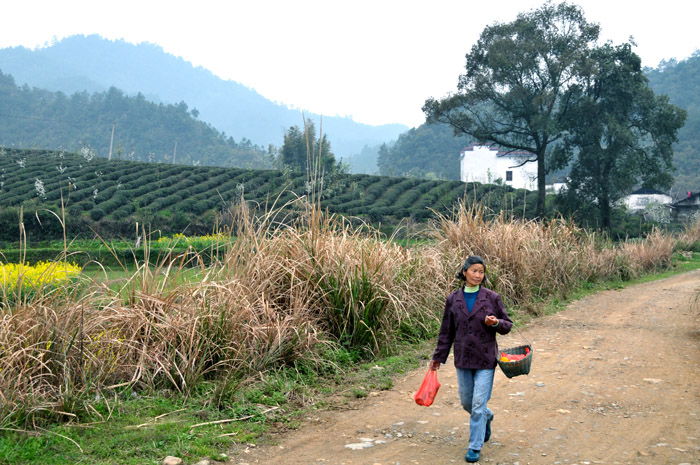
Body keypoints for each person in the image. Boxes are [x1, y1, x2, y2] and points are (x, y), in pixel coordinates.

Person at [429, 255, 513, 463]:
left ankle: (474, 447)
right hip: (463, 357)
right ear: (464, 272)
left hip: (486, 358)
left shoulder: (492, 297)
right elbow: (446, 331)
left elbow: (507, 325)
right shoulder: (453, 299)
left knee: (477, 404)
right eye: (474, 270)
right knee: (467, 401)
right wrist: (438, 357)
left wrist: (495, 323)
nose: (478, 275)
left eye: (481, 272)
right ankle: (487, 416)